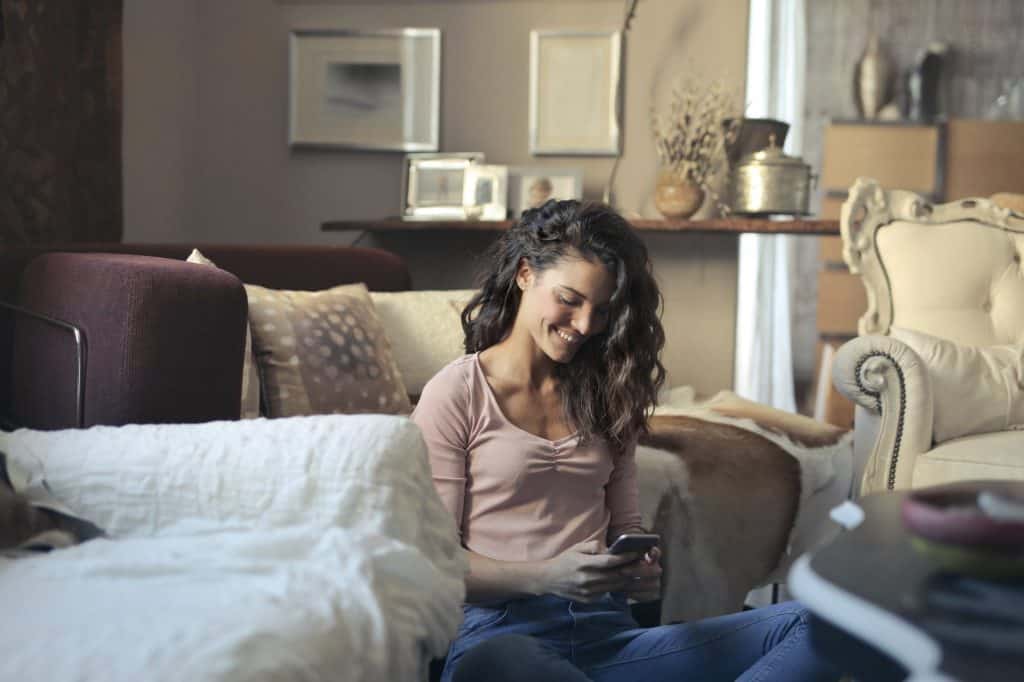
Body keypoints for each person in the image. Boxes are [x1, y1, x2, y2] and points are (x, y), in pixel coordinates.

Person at [412, 200, 838, 682]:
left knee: (819, 626)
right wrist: (549, 575)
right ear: (526, 274)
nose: (585, 326)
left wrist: (638, 571)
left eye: (601, 309)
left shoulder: (608, 392)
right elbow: (436, 566)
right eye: (570, 300)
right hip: (501, 642)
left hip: (607, 640)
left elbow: (624, 529)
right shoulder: (457, 394)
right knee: (508, 659)